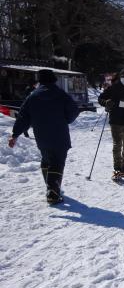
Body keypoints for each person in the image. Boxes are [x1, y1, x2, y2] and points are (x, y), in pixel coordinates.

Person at [7, 69, 79, 204]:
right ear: (53, 80)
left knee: (47, 159)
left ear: (40, 81)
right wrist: (66, 120)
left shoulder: (33, 96)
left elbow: (23, 117)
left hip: (41, 135)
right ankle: (52, 191)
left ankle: (50, 186)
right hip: (59, 133)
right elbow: (74, 110)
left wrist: (15, 134)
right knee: (57, 161)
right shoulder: (61, 94)